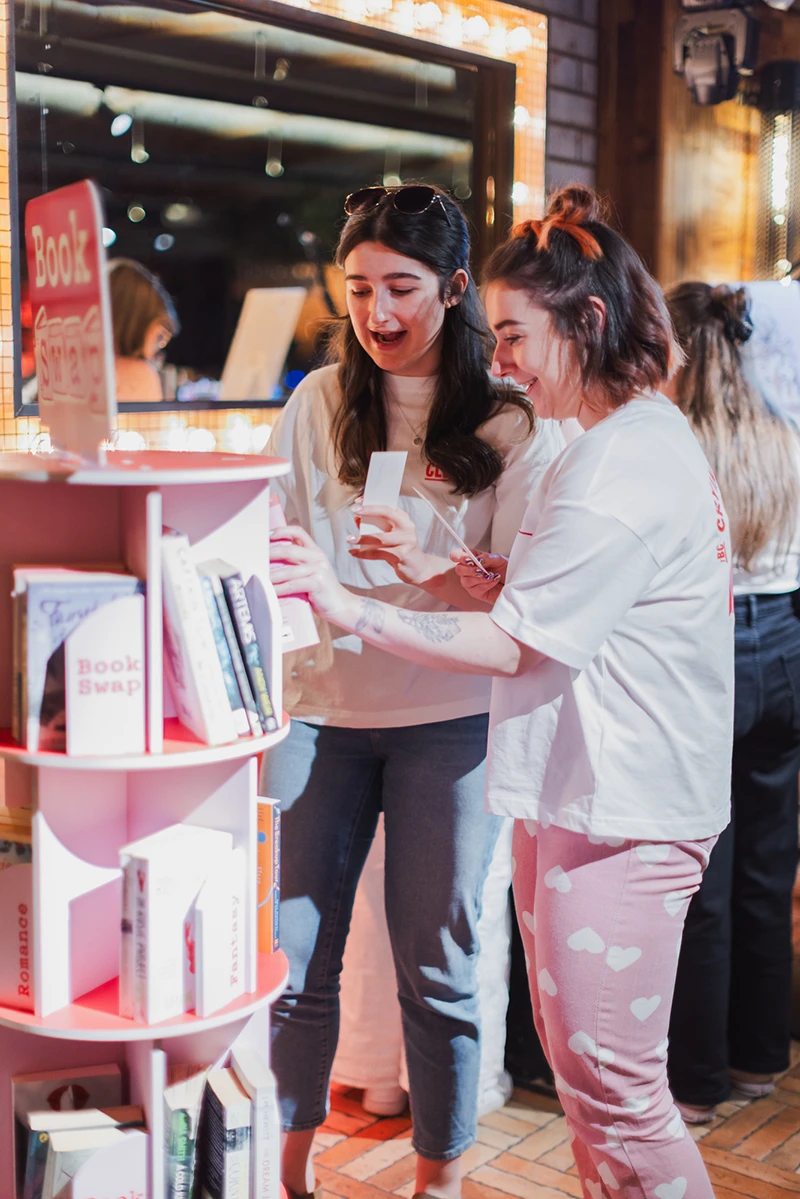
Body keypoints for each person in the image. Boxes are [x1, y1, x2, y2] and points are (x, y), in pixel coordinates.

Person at [269, 185, 735, 1199]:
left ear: (586, 320)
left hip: (605, 796)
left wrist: (350, 605)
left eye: (515, 332)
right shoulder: (619, 443)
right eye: (357, 289)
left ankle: (439, 1175)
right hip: (563, 787)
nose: (505, 354)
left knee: (607, 1086)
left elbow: (519, 637)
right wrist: (436, 570)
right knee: (595, 1087)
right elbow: (526, 598)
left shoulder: (602, 459)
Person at [262, 182, 564, 1199]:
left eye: (400, 286)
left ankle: (436, 1179)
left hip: (448, 722)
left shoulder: (512, 419)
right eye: (356, 290)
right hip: (319, 710)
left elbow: (520, 605)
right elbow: (264, 545)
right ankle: (287, 1170)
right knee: (294, 956)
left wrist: (436, 560)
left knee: (437, 960)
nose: (377, 313)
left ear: (453, 288)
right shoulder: (314, 403)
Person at [664, 282, 800, 1123]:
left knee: (703, 874)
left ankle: (698, 1083)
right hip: (787, 642)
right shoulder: (784, 433)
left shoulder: (672, 440)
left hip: (707, 646)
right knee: (766, 865)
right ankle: (760, 1057)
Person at [107, 258, 179, 401]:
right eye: (160, 337)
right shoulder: (140, 375)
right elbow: (152, 422)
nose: (158, 348)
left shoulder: (73, 371)